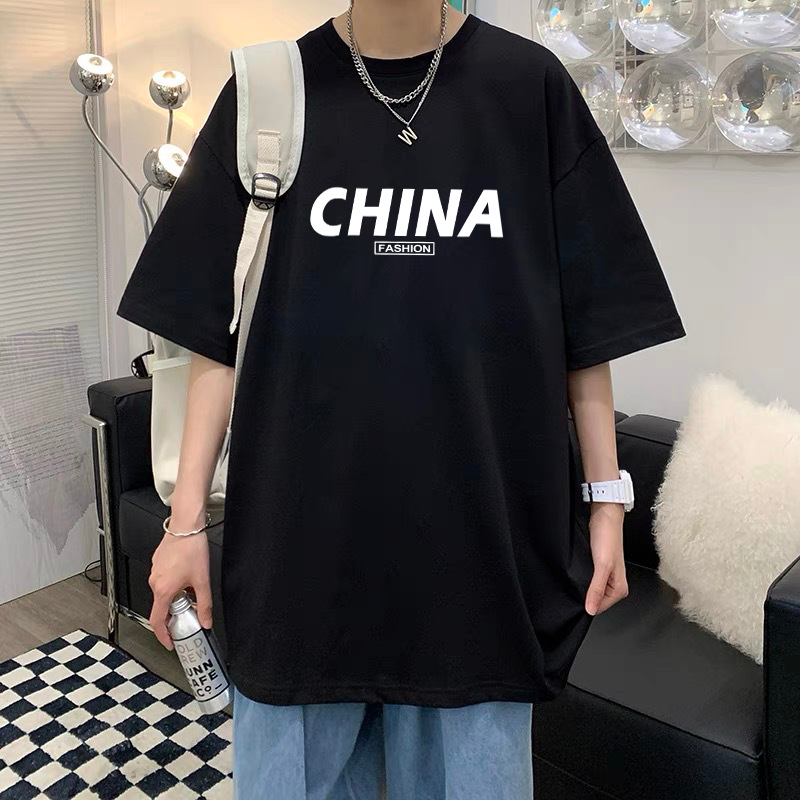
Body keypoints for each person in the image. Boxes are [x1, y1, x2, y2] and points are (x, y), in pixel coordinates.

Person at [116, 1, 686, 797]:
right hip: (299, 566)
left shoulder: (529, 88)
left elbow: (588, 324)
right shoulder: (268, 91)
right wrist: (182, 526)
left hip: (478, 569)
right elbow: (213, 330)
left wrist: (606, 502)